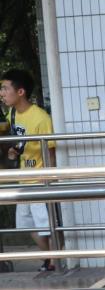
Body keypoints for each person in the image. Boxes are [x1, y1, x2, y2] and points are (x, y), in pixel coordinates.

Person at [0, 70, 56, 271]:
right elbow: (19, 142)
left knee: (46, 225)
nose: (2, 93)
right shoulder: (12, 114)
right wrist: (14, 152)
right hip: (24, 179)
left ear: (20, 91)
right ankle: (51, 258)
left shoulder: (41, 118)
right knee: (25, 224)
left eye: (5, 88)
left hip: (39, 180)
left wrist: (48, 179)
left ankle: (54, 261)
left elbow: (51, 152)